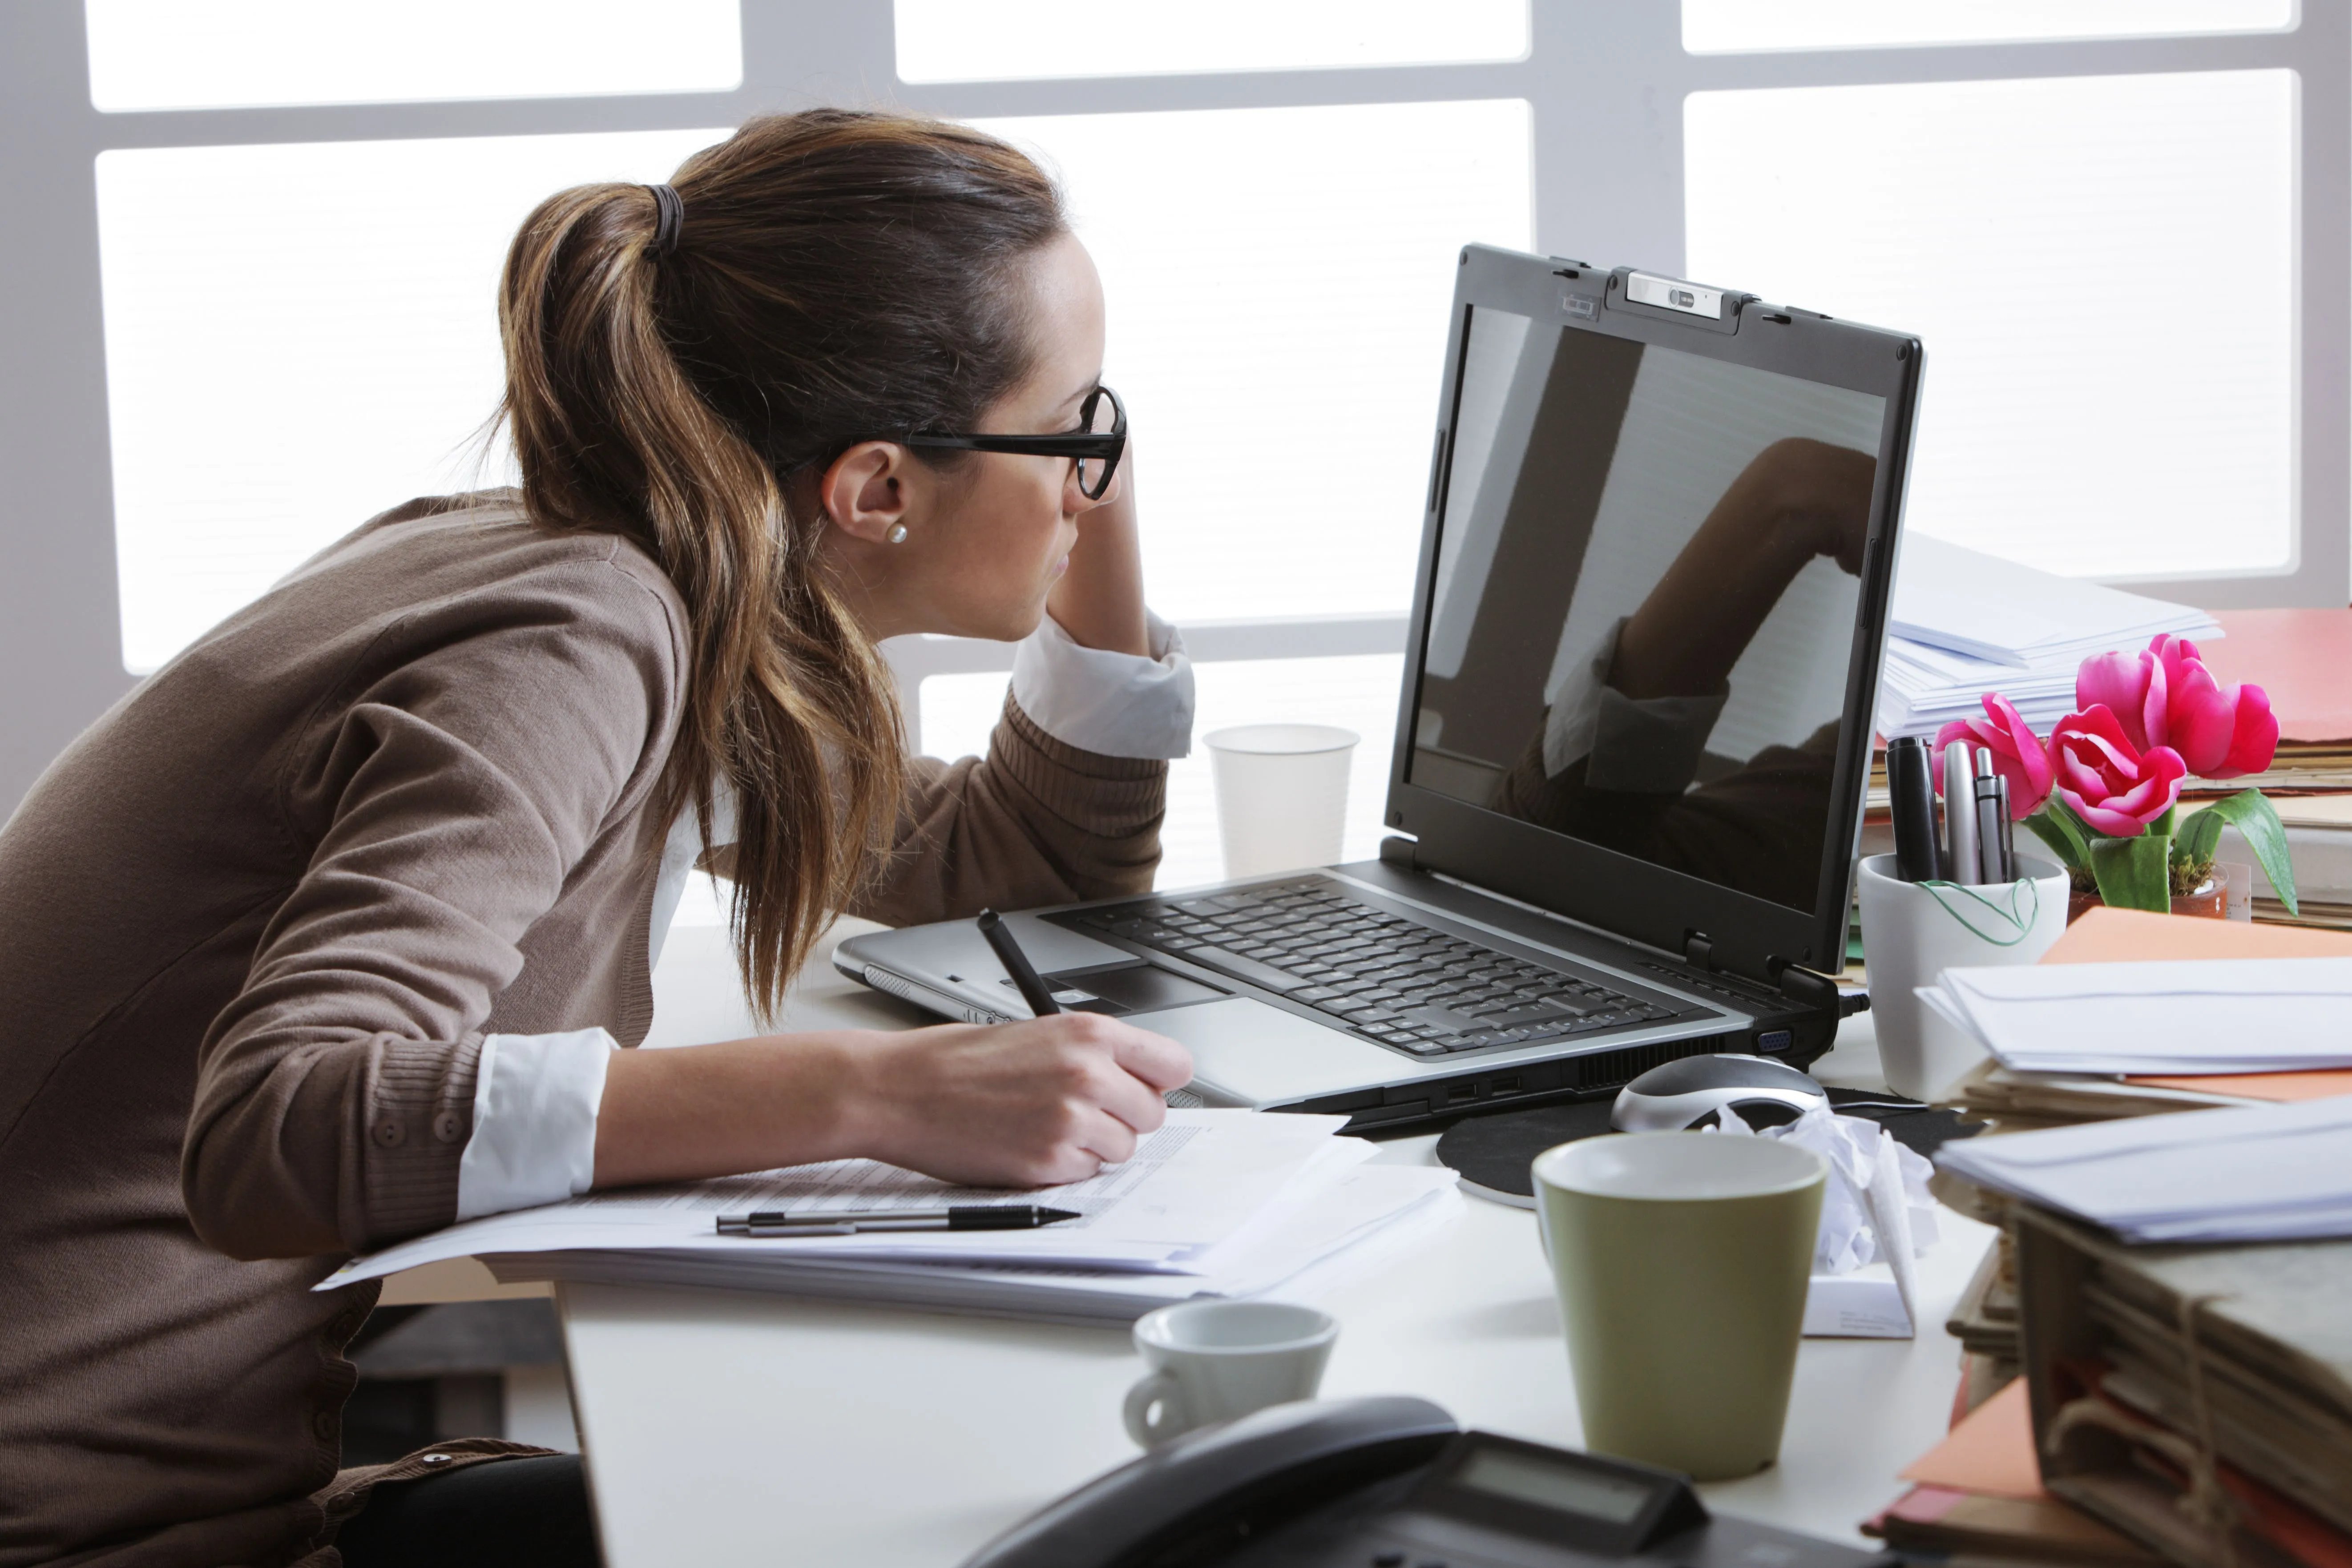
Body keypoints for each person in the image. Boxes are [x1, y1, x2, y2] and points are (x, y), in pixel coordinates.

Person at [0, 109, 1195, 1568]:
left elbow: (1032, 863)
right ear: (877, 488)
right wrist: (873, 1095)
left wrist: (1084, 479)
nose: (1095, 472)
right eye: (1076, 425)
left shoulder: (637, 579)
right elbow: (282, 1119)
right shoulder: (576, 639)